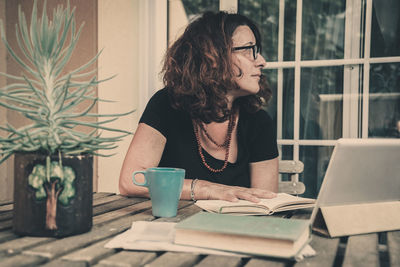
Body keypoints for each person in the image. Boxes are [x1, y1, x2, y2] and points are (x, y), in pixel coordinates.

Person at [119, 11, 279, 203]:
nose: (261, 61)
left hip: (233, 230)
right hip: (172, 227)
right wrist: (205, 188)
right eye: (247, 49)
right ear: (212, 57)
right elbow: (131, 181)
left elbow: (265, 203)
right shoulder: (167, 104)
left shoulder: (258, 122)